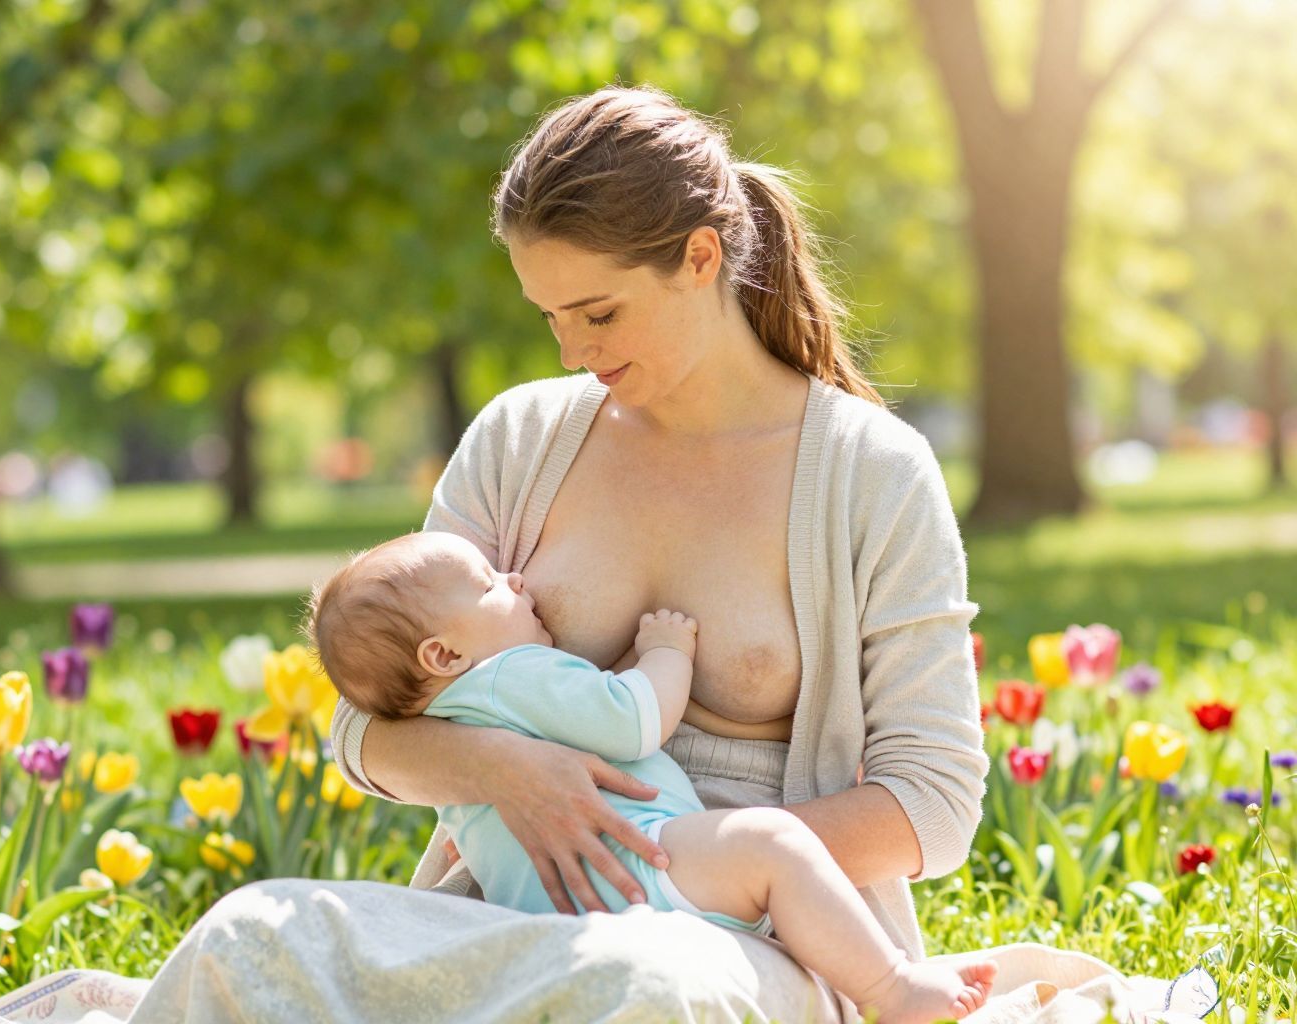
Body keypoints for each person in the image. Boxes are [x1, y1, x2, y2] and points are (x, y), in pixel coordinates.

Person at [329, 82, 991, 1005]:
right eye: (548, 317)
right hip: (518, 911)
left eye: (598, 314)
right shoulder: (522, 439)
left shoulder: (872, 473)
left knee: (638, 984)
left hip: (756, 931)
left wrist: (695, 864)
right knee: (253, 934)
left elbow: (936, 802)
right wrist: (508, 774)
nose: (571, 353)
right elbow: (364, 722)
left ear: (700, 257)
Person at [310, 529, 998, 1024]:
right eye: (490, 586)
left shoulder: (446, 716)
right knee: (772, 846)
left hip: (540, 920)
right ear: (443, 652)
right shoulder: (512, 676)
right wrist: (664, 655)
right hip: (640, 870)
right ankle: (894, 986)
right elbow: (632, 721)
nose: (514, 580)